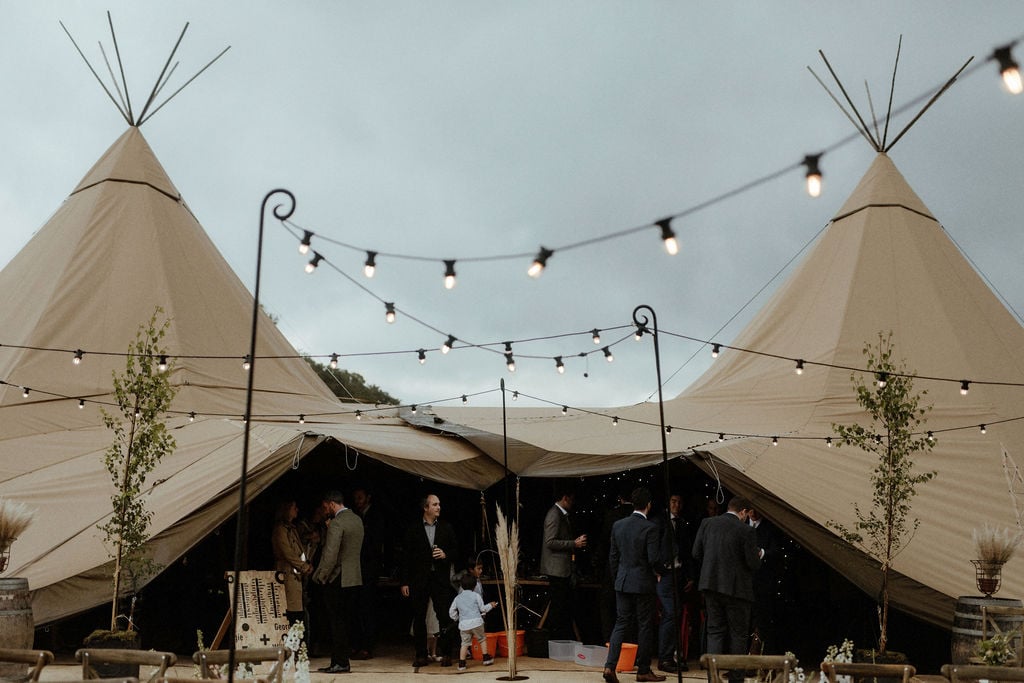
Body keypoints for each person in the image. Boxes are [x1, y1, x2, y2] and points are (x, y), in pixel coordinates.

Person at [692, 496, 762, 681]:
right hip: (737, 589)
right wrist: (760, 554)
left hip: (710, 585)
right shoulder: (746, 531)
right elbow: (753, 564)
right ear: (743, 512)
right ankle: (736, 678)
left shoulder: (707, 523)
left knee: (714, 631)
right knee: (738, 634)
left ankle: (712, 676)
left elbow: (696, 553)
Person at [602, 487, 665, 683]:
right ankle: (643, 670)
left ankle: (609, 666)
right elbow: (653, 558)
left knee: (621, 623)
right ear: (648, 505)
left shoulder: (618, 525)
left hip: (622, 580)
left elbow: (613, 557)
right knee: (644, 625)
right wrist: (660, 571)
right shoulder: (651, 528)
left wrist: (617, 579)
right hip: (643, 582)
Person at [400, 493, 460, 668]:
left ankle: (447, 653)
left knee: (444, 615)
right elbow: (406, 557)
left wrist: (445, 554)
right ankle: (421, 654)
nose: (438, 507)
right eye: (434, 504)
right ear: (425, 508)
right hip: (419, 579)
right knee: (419, 617)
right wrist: (404, 581)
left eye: (439, 504)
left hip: (439, 579)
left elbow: (456, 550)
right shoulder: (413, 529)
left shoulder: (446, 528)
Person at [311, 490, 365, 675]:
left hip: (338, 579)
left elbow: (331, 554)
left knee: (336, 623)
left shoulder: (337, 523)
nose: (325, 510)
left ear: (332, 504)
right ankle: (341, 660)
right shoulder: (357, 520)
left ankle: (340, 662)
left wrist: (320, 576)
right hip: (354, 577)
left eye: (326, 507)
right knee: (346, 622)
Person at [539, 485, 587, 641]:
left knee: (562, 606)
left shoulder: (561, 514)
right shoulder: (554, 514)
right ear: (565, 498)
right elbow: (550, 541)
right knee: (558, 607)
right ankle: (554, 639)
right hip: (556, 569)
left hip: (561, 568)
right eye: (571, 499)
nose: (572, 502)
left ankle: (560, 638)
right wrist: (574, 543)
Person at [655, 493, 696, 673]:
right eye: (673, 501)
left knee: (676, 614)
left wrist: (690, 576)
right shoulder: (659, 521)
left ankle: (673, 656)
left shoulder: (682, 524)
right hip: (664, 574)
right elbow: (653, 548)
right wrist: (656, 570)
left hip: (678, 574)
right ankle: (664, 658)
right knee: (671, 613)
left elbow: (686, 552)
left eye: (679, 502)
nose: (676, 505)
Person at [351, 485, 389, 659]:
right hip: (356, 568)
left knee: (368, 607)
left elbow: (376, 543)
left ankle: (367, 646)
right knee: (356, 607)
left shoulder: (375, 516)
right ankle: (357, 644)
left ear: (368, 497)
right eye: (356, 498)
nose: (357, 501)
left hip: (369, 567)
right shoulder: (355, 516)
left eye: (360, 497)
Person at [595, 487, 633, 641]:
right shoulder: (640, 518)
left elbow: (605, 544)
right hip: (632, 569)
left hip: (612, 568)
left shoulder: (612, 516)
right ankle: (629, 643)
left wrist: (598, 564)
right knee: (629, 610)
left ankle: (608, 641)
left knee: (608, 606)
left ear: (620, 498)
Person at [270, 499, 313, 625]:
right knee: (291, 610)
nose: (297, 510)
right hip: (287, 573)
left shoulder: (291, 528)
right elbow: (287, 552)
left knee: (297, 610)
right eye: (294, 507)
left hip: (295, 573)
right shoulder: (281, 530)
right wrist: (303, 566)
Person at [449, 572, 499, 671]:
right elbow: (482, 609)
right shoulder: (476, 596)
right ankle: (485, 658)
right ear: (475, 585)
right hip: (477, 622)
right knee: (482, 639)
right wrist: (490, 605)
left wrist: (457, 618)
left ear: (461, 586)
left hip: (464, 625)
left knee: (464, 643)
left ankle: (462, 663)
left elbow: (451, 611)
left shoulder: (457, 598)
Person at [748, 507, 781, 654]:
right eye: (750, 510)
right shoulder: (741, 525)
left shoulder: (770, 528)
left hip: (762, 582)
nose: (753, 514)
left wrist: (762, 552)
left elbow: (776, 552)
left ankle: (756, 658)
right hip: (744, 582)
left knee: (761, 621)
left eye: (756, 510)